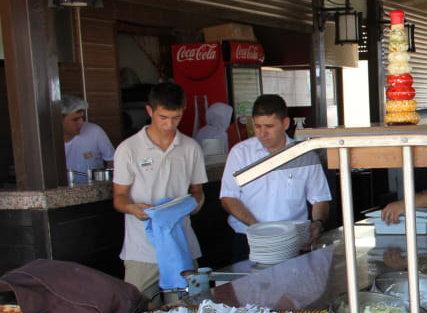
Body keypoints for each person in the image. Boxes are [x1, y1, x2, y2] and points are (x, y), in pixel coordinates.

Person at [112, 82, 206, 300]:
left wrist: (193, 206)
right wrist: (133, 208)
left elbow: (198, 191)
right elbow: (119, 198)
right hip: (142, 250)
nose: (169, 124)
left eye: (176, 118)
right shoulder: (128, 149)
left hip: (182, 245)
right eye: (163, 117)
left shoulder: (190, 148)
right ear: (149, 111)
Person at [219, 95, 332, 263]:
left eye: (269, 126)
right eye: (257, 126)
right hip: (249, 240)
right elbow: (228, 197)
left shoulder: (304, 155)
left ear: (285, 124)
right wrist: (258, 228)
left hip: (293, 240)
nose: (262, 133)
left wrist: (317, 223)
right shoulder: (240, 153)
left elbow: (320, 199)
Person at [61, 94, 114, 181]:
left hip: (95, 189)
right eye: (75, 119)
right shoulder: (47, 140)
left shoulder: (95, 131)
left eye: (82, 117)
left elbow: (112, 160)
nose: (81, 122)